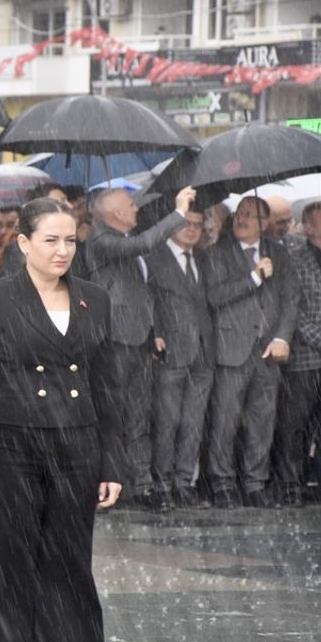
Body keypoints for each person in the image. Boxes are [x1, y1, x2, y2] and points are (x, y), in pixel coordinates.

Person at [0, 198, 124, 642]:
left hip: (77, 449)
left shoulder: (95, 297)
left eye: (70, 240)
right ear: (24, 243)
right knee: (9, 576)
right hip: (13, 451)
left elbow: (108, 385)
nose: (62, 250)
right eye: (50, 240)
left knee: (69, 571)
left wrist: (112, 463)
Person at [83, 187, 191, 508]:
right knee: (113, 417)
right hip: (113, 342)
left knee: (139, 418)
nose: (136, 209)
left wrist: (154, 330)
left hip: (138, 340)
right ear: (115, 214)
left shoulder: (125, 241)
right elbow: (146, 243)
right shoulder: (101, 240)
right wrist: (180, 213)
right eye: (131, 205)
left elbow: (142, 292)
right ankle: (110, 487)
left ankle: (141, 486)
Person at [205, 196, 298, 509]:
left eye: (249, 215)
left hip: (267, 351)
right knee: (225, 421)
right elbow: (215, 296)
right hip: (231, 350)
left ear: (264, 224)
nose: (240, 220)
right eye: (239, 214)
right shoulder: (217, 253)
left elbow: (290, 300)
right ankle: (222, 484)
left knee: (262, 421)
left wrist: (283, 337)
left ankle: (255, 483)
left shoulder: (280, 254)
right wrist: (254, 277)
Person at [145, 202, 214, 510]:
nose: (192, 228)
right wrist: (155, 332)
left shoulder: (202, 257)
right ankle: (161, 484)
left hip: (203, 352)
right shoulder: (154, 258)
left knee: (193, 423)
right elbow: (148, 299)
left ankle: (184, 483)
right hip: (170, 350)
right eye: (187, 221)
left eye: (198, 224)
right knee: (167, 422)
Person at [275, 201, 321, 507]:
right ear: (308, 227)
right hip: (305, 358)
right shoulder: (293, 257)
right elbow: (294, 307)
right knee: (296, 426)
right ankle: (290, 483)